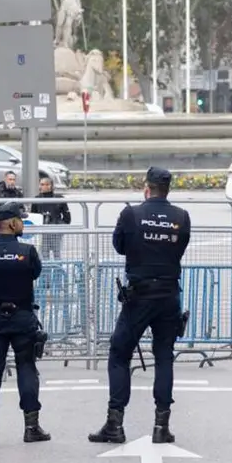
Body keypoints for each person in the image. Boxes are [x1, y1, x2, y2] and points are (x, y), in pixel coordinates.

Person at [89, 167, 191, 445]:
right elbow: (179, 248)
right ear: (167, 189)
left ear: (147, 188)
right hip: (168, 294)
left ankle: (115, 422)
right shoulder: (181, 217)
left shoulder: (131, 214)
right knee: (164, 356)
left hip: (140, 295)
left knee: (119, 353)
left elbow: (119, 246)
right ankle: (161, 425)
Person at [0, 202, 50, 444]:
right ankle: (31, 426)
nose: (23, 224)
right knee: (26, 368)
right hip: (23, 317)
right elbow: (34, 273)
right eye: (21, 220)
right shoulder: (27, 251)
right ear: (12, 223)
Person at [32, 176, 70, 259]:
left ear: (50, 186)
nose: (42, 187)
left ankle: (58, 271)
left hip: (55, 230)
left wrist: (60, 226)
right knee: (44, 254)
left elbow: (67, 218)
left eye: (44, 184)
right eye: (41, 184)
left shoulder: (59, 198)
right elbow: (33, 216)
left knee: (57, 254)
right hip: (42, 231)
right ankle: (46, 271)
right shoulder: (36, 199)